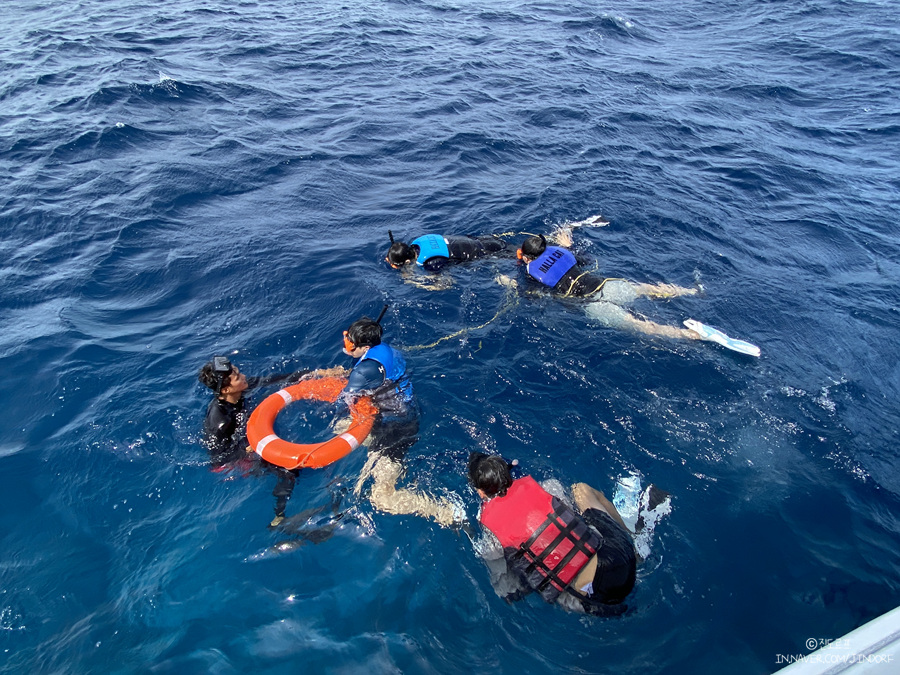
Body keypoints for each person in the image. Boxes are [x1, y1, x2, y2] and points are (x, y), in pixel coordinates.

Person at [468, 452, 643, 615]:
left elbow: (507, 592)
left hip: (592, 600)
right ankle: (635, 545)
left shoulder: (493, 539)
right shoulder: (549, 488)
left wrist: (462, 527)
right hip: (622, 561)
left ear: (480, 492)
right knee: (580, 490)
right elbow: (572, 520)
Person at [338, 316, 462, 526]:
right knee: (339, 428)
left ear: (365, 346)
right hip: (402, 413)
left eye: (350, 343)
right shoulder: (384, 349)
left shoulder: (363, 371)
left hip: (397, 427)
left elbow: (344, 399)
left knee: (381, 498)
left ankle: (446, 512)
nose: (345, 345)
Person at [198, 356, 340, 527]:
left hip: (248, 438)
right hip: (231, 460)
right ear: (226, 389)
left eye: (238, 371)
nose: (243, 376)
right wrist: (247, 451)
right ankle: (279, 518)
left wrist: (319, 373)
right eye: (237, 376)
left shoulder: (241, 388)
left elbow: (280, 379)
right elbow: (219, 457)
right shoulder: (221, 421)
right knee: (288, 469)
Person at [386, 232, 515, 273]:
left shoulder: (431, 263)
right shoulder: (420, 241)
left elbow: (444, 285)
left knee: (518, 255)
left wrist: (413, 281)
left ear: (407, 261)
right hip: (482, 240)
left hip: (484, 253)